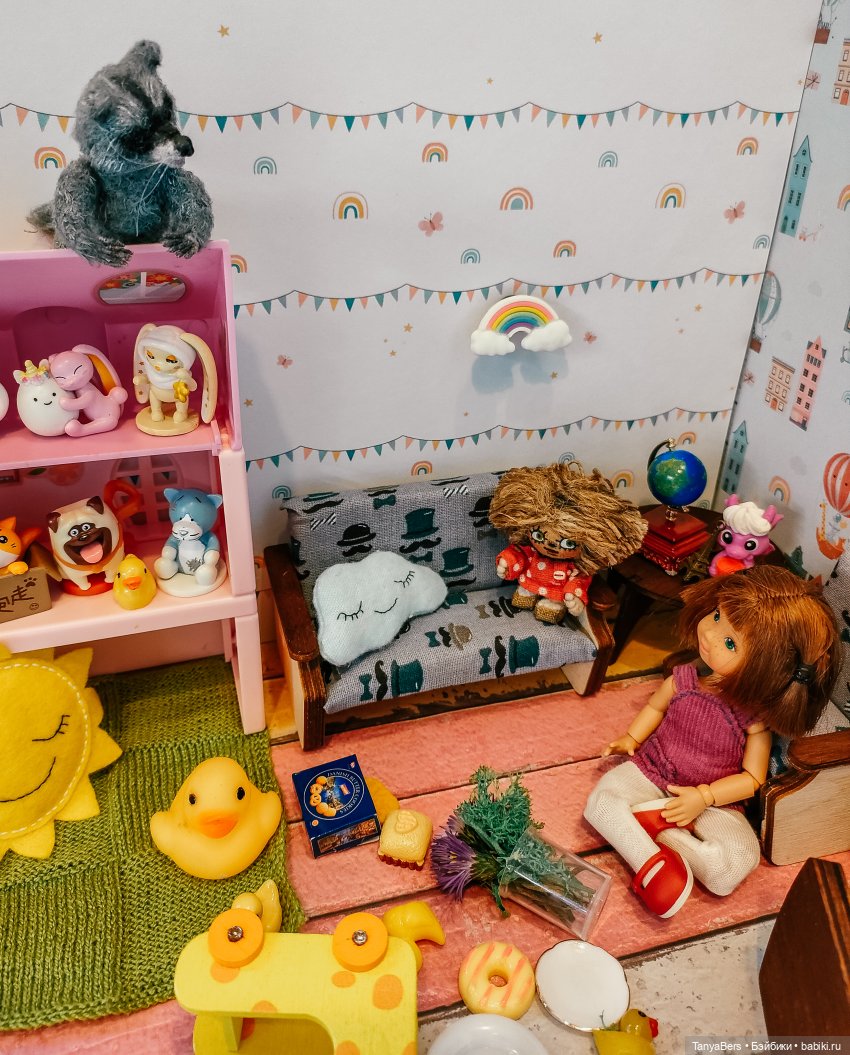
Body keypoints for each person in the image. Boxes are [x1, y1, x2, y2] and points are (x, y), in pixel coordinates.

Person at [584, 565, 841, 918]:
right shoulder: (684, 681)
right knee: (600, 803)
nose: (709, 633)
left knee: (736, 863)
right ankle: (649, 862)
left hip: (714, 801)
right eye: (717, 615)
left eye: (730, 643)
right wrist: (631, 737)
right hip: (653, 770)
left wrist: (703, 797)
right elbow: (655, 708)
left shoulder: (752, 718)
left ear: (767, 669)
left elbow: (752, 779)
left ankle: (660, 831)